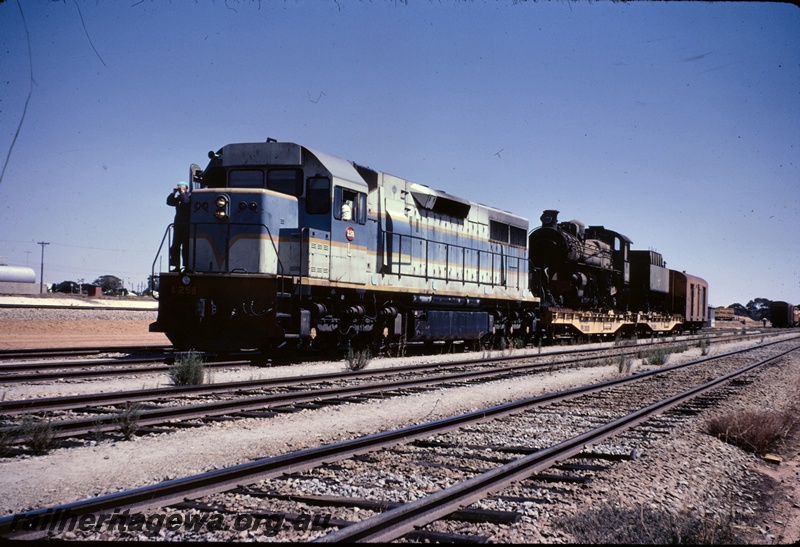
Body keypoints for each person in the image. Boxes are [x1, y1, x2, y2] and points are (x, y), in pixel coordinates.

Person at [167, 181, 191, 271]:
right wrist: (173, 192)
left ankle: (187, 266)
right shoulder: (179, 198)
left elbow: (186, 202)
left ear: (186, 188)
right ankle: (176, 266)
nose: (179, 188)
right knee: (175, 246)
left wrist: (182, 192)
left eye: (181, 186)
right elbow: (169, 202)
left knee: (186, 247)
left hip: (187, 225)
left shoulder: (190, 196)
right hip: (178, 225)